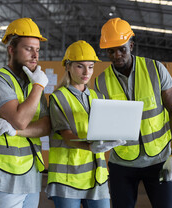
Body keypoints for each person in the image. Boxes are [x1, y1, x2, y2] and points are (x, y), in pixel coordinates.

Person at [94, 18, 172, 208]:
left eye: (122, 49)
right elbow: (102, 123)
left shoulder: (156, 70)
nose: (117, 55)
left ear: (131, 45)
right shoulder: (101, 82)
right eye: (111, 51)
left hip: (159, 160)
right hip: (122, 165)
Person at [0, 17, 51, 208]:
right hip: (4, 177)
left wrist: (16, 132)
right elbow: (20, 120)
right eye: (28, 49)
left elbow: (46, 126)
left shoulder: (33, 85)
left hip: (31, 176)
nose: (35, 55)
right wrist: (39, 86)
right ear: (11, 50)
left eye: (37, 50)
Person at [46, 40, 125, 208]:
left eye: (90, 66)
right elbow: (67, 137)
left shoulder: (99, 98)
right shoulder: (58, 98)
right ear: (67, 66)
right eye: (80, 66)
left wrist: (115, 137)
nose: (86, 72)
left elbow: (104, 132)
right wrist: (91, 147)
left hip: (97, 176)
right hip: (67, 177)